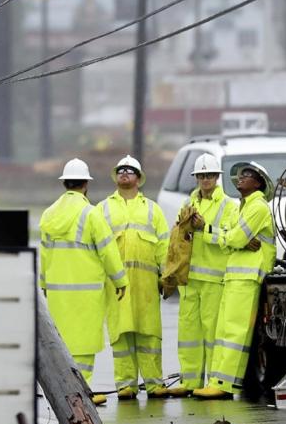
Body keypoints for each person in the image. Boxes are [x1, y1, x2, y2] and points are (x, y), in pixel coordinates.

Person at [39, 157, 127, 405]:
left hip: (57, 291)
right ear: (85, 185)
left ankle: (68, 389)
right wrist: (120, 280)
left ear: (64, 183)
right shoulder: (91, 214)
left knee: (64, 340)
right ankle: (82, 391)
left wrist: (44, 284)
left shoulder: (48, 214)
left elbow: (44, 254)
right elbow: (108, 250)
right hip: (86, 291)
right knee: (85, 342)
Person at [193, 161, 276, 400]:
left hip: (248, 275)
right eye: (240, 175)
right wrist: (231, 237)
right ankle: (217, 381)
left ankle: (224, 384)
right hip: (236, 273)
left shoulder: (257, 207)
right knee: (224, 329)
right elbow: (232, 236)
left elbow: (236, 237)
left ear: (258, 183)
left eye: (247, 175)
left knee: (235, 332)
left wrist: (222, 234)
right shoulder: (244, 206)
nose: (240, 178)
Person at [164, 153, 238, 397]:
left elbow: (229, 239)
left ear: (218, 177)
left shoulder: (229, 205)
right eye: (201, 176)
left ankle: (215, 383)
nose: (205, 180)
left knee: (213, 333)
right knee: (189, 333)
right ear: (196, 178)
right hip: (189, 278)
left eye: (210, 175)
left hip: (214, 279)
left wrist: (203, 227)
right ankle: (191, 380)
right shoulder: (189, 204)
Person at [97, 154, 170, 399]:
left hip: (147, 284)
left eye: (129, 171)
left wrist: (166, 277)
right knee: (121, 334)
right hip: (116, 286)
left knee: (149, 333)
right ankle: (125, 385)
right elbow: (96, 246)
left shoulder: (152, 209)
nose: (124, 174)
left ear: (139, 179)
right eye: (120, 170)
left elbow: (163, 245)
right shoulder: (103, 209)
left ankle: (154, 383)